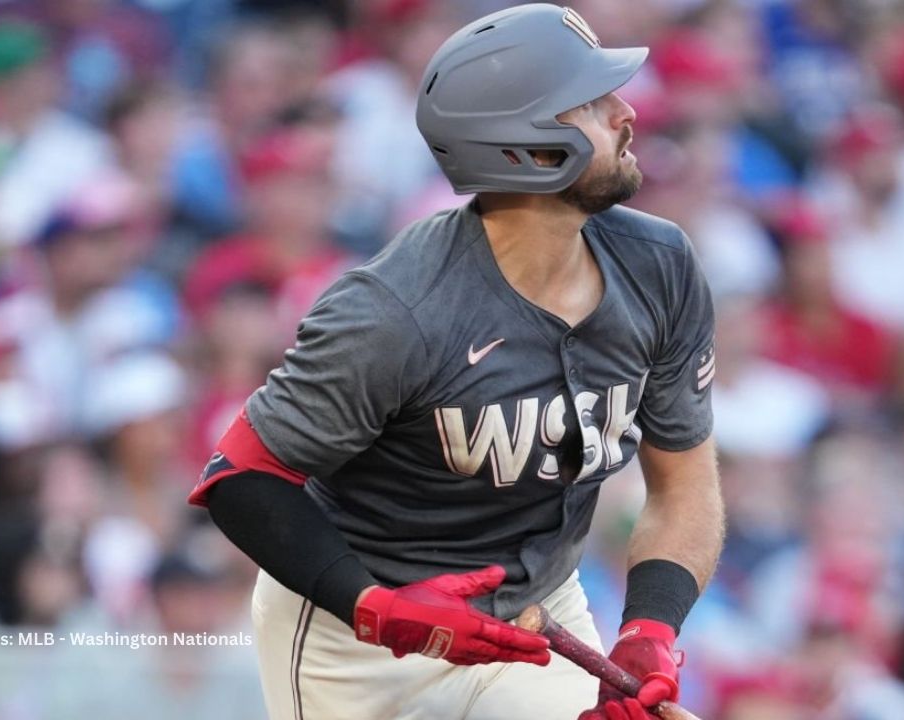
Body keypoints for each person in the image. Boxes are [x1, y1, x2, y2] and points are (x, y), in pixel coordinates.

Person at [188, 5, 724, 720]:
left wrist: (650, 628)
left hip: (540, 621)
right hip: (362, 639)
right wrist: (375, 607)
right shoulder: (395, 309)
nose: (626, 113)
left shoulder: (661, 266)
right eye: (594, 103)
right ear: (532, 150)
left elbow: (685, 482)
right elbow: (240, 478)